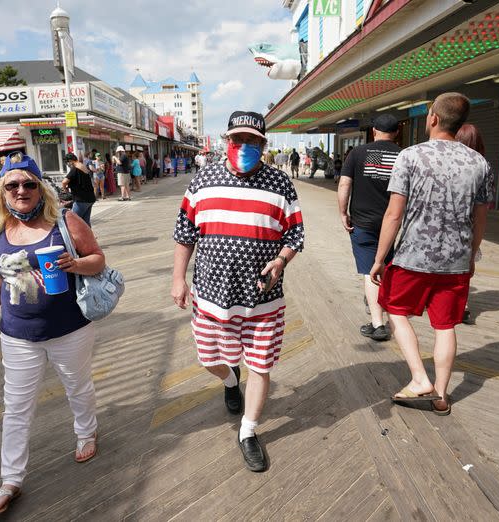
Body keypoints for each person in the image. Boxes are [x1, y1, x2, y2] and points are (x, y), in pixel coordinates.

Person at [171, 110, 305, 472]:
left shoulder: (280, 183)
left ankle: (248, 431)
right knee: (210, 359)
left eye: (253, 141)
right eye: (237, 139)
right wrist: (178, 278)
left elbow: (295, 234)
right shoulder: (202, 180)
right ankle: (230, 380)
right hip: (212, 297)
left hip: (263, 299)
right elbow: (185, 233)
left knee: (261, 366)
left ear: (263, 144)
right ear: (226, 141)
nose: (244, 146)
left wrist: (281, 260)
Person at [0, 152, 105, 516]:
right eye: (13, 185)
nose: (21, 190)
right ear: (3, 191)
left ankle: (86, 432)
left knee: (77, 386)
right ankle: (10, 479)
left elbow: (98, 258)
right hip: (17, 333)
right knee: (16, 407)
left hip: (69, 329)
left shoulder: (64, 222)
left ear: (40, 188)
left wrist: (77, 263)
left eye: (28, 183)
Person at [370, 92, 492, 415]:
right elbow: (480, 218)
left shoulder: (409, 157)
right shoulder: (479, 163)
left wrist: (380, 258)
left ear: (434, 118)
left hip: (412, 257)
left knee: (393, 310)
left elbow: (393, 215)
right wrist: (471, 253)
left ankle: (420, 378)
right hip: (455, 261)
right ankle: (441, 394)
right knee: (445, 325)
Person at [338, 114, 401, 342]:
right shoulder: (403, 156)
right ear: (396, 133)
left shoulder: (357, 153)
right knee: (384, 263)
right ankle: (388, 309)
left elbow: (345, 183)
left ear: (374, 131)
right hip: (391, 222)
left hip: (362, 222)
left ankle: (378, 323)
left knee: (369, 269)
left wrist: (343, 212)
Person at [455, 123, 487, 325]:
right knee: (465, 270)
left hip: (444, 225)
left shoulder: (451, 162)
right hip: (469, 227)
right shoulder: (482, 166)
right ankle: (463, 306)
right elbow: (482, 210)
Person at [61, 153, 96, 226]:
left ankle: (76, 237)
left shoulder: (75, 168)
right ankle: (89, 237)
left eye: (67, 163)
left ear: (70, 161)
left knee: (73, 221)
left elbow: (64, 182)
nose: (68, 165)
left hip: (81, 199)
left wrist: (65, 189)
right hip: (90, 198)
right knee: (85, 222)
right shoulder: (83, 166)